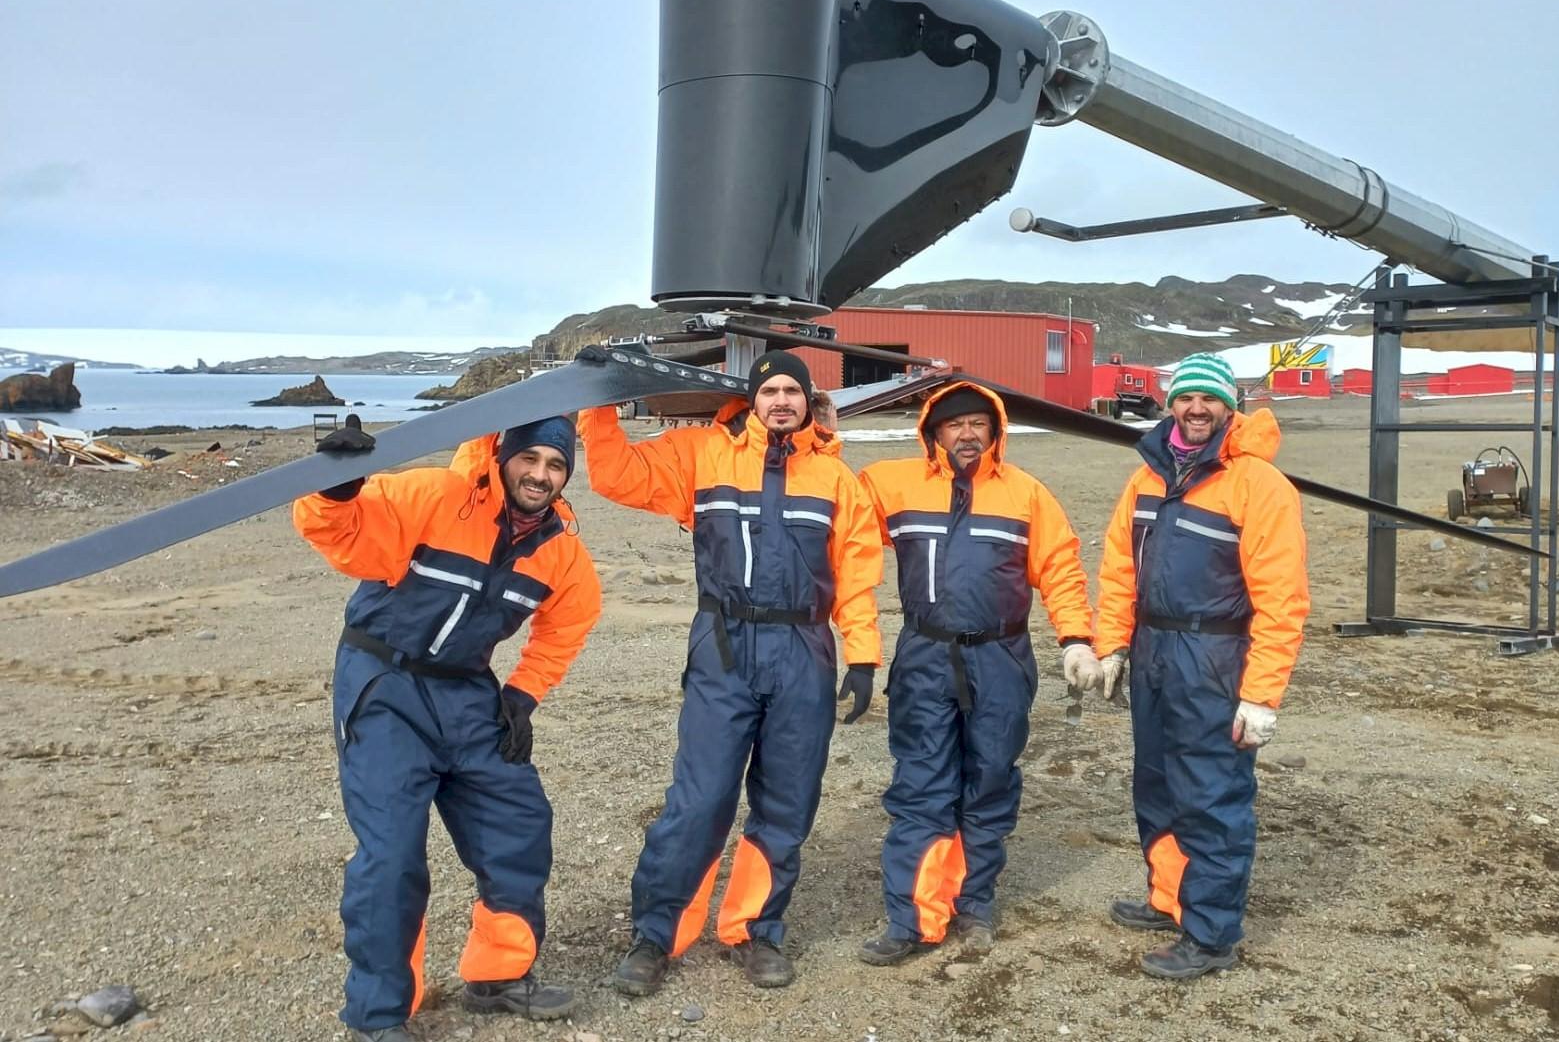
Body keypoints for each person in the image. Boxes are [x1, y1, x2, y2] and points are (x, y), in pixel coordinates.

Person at [575, 349, 882, 993]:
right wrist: (599, 397)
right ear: (752, 398)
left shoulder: (835, 479)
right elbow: (614, 474)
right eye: (768, 390)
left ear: (806, 402)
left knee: (787, 799)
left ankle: (755, 930)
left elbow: (856, 573)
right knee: (700, 795)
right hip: (723, 643)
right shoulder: (701, 454)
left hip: (804, 646)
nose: (780, 401)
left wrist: (862, 655)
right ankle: (657, 935)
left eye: (791, 393)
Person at [294, 414, 601, 1040]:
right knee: (392, 854)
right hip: (386, 681)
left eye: (556, 466)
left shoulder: (558, 547)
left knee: (518, 824)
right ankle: (380, 1015)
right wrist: (336, 487)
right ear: (503, 456)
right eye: (531, 459)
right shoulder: (435, 496)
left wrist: (522, 696)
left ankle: (497, 974)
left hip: (468, 689)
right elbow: (344, 536)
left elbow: (571, 621)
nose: (540, 475)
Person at [851, 382, 1100, 966]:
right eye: (954, 425)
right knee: (922, 786)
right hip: (924, 657)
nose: (966, 435)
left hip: (1002, 659)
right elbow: (835, 503)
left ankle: (974, 902)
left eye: (978, 426)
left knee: (989, 781)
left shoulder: (1025, 495)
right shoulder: (892, 483)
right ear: (932, 433)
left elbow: (1061, 566)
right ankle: (912, 917)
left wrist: (1077, 640)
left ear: (995, 433)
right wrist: (818, 430)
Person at [1093, 353, 1309, 980]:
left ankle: (1211, 935)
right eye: (1185, 397)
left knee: (1212, 795)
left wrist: (1261, 695)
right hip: (1154, 655)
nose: (1195, 410)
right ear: (1170, 403)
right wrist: (1113, 646)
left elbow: (1282, 598)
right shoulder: (1146, 479)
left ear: (1228, 408)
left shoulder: (1259, 486)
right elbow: (1117, 570)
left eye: (1209, 400)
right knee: (1157, 785)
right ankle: (1170, 898)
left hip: (1216, 659)